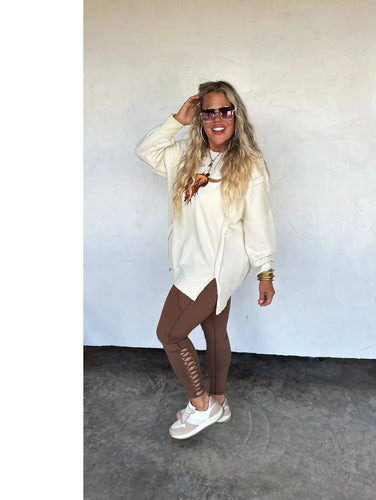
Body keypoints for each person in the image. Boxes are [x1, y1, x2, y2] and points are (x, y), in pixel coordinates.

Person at [134, 81, 276, 439]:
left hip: (216, 268)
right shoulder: (185, 155)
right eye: (208, 112)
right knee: (214, 333)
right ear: (200, 118)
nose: (217, 119)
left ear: (236, 115)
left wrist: (265, 271)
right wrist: (177, 121)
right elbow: (145, 150)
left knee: (169, 333)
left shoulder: (249, 165)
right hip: (189, 261)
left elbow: (259, 222)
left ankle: (201, 406)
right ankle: (218, 402)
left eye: (224, 110)